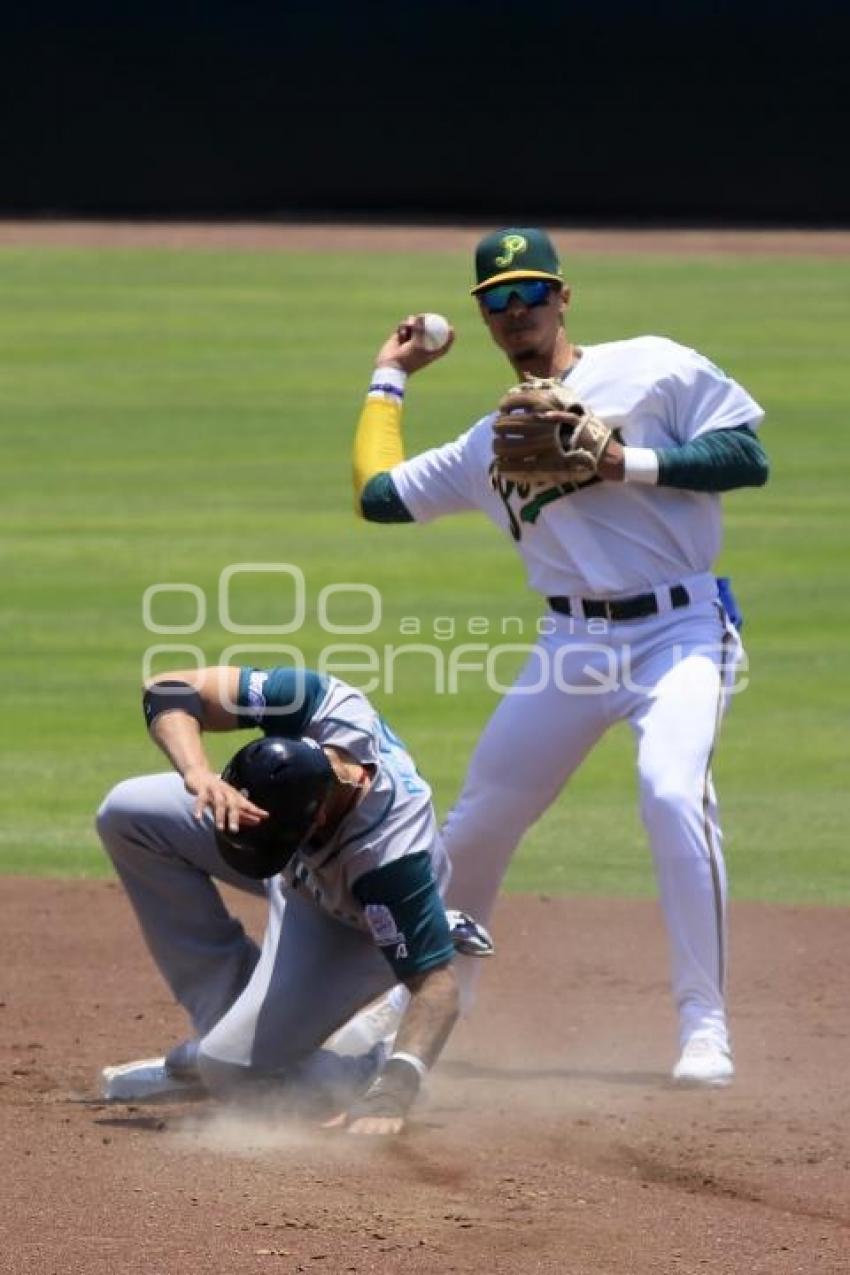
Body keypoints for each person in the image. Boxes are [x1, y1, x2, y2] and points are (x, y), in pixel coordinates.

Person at [351, 227, 770, 1087]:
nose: (516, 312)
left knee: (668, 789)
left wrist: (624, 460)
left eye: (530, 293)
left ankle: (704, 1027)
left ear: (562, 296)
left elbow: (747, 454)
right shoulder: (486, 443)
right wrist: (389, 376)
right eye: (497, 301)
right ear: (484, 316)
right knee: (478, 824)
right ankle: (424, 999)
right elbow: (379, 496)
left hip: (679, 630)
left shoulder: (652, 366)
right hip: (571, 644)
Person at [96, 663, 491, 1136]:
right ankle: (222, 1023)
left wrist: (396, 1086)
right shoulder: (322, 707)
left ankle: (366, 1056)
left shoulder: (388, 864)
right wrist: (198, 772)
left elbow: (439, 986)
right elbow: (169, 688)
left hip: (350, 922)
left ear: (319, 816)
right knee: (128, 812)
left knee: (229, 1070)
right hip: (296, 861)